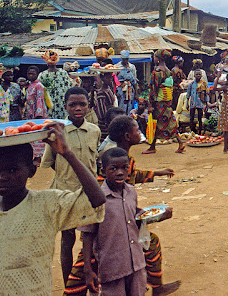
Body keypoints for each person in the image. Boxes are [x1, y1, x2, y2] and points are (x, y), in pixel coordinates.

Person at [0, 126, 106, 296]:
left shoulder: (47, 204)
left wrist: (67, 154)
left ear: (31, 171)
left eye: (12, 170)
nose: (2, 177)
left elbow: (97, 200)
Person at [65, 117, 178, 296]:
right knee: (86, 263)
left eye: (123, 169)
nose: (140, 132)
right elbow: (96, 194)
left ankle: (156, 286)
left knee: (150, 244)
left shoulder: (126, 161)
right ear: (127, 135)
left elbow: (132, 177)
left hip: (123, 226)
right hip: (103, 229)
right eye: (136, 130)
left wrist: (157, 174)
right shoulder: (111, 158)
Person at [80, 147, 174, 295]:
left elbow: (133, 216)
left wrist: (159, 215)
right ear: (103, 171)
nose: (120, 172)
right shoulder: (96, 199)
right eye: (113, 169)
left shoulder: (131, 192)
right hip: (111, 268)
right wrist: (88, 269)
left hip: (136, 264)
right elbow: (87, 233)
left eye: (124, 168)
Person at [40, 87, 102, 286]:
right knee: (67, 240)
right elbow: (49, 163)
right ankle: (69, 284)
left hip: (89, 195)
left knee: (91, 239)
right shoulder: (57, 132)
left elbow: (95, 161)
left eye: (82, 104)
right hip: (64, 195)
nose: (77, 108)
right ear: (65, 107)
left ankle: (91, 279)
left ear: (88, 106)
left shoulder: (94, 130)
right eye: (72, 105)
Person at [144, 49, 185, 154]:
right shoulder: (168, 70)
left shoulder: (157, 72)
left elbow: (153, 89)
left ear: (158, 58)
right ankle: (154, 146)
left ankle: (154, 147)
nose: (154, 58)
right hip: (166, 102)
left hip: (158, 103)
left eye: (155, 57)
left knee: (158, 123)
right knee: (166, 123)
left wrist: (150, 104)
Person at [39, 49, 73, 119]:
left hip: (62, 106)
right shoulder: (43, 75)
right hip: (48, 106)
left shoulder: (63, 73)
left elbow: (69, 89)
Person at [25, 66, 48, 164]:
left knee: (38, 137)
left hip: (38, 115)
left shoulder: (39, 85)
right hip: (30, 115)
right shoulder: (30, 85)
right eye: (29, 73)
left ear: (37, 75)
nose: (30, 75)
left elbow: (40, 100)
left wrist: (38, 116)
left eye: (32, 74)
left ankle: (38, 158)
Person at [92, 73, 117, 140]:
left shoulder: (109, 89)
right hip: (105, 122)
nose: (110, 80)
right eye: (107, 78)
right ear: (103, 78)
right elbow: (102, 112)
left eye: (111, 78)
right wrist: (107, 119)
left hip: (110, 118)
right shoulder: (101, 93)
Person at [185, 70, 208, 134]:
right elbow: (188, 94)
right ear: (194, 75)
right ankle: (192, 131)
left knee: (200, 118)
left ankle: (200, 132)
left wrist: (206, 103)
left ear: (201, 75)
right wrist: (187, 103)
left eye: (199, 74)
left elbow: (206, 94)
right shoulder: (191, 84)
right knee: (191, 117)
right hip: (193, 103)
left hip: (200, 103)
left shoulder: (203, 84)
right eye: (197, 74)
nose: (198, 76)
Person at [116, 50, 138, 115]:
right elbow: (114, 80)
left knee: (130, 107)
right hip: (120, 90)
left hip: (130, 90)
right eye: (124, 59)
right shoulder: (117, 66)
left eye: (126, 59)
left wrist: (136, 93)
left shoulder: (132, 67)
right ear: (121, 59)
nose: (125, 61)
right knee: (121, 106)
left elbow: (134, 81)